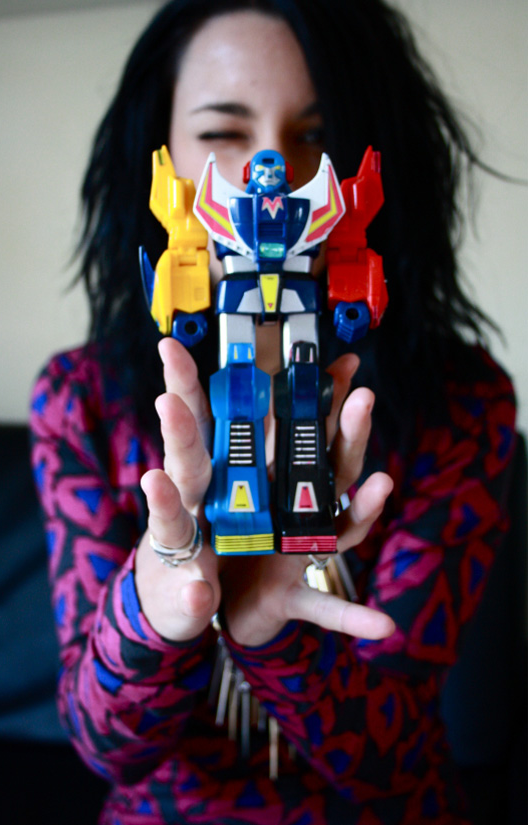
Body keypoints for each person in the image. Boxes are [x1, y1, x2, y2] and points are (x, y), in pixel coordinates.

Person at [29, 0, 517, 823]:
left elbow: (397, 757)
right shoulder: (82, 399)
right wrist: (160, 603)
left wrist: (272, 633)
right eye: (222, 131)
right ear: (161, 158)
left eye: (315, 133)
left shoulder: (462, 401)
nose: (275, 171)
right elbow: (103, 744)